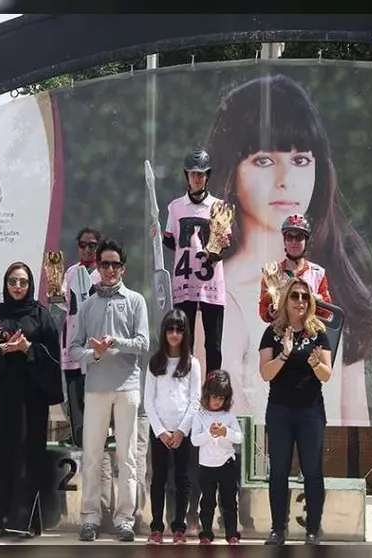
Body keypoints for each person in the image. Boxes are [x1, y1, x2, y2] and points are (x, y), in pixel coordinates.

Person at [206, 74, 372, 424]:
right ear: (231, 170)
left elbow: (352, 413)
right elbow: (227, 412)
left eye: (301, 159)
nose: (285, 178)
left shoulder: (330, 281)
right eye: (264, 160)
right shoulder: (217, 290)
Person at [0, 261, 64, 539]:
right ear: (5, 284)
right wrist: (2, 350)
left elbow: (53, 358)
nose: (18, 287)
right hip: (0, 398)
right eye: (12, 282)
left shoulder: (41, 316)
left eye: (23, 282)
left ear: (30, 285)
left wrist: (29, 348)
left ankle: (25, 521)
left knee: (27, 456)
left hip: (31, 400)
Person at [161, 147, 232, 533]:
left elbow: (227, 244)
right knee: (184, 340)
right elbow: (172, 242)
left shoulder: (221, 207)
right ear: (186, 175)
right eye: (192, 174)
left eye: (202, 174)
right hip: (185, 282)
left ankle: (215, 387)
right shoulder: (173, 206)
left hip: (213, 285)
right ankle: (184, 378)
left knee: (215, 342)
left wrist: (211, 248)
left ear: (208, 176)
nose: (197, 179)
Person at [69, 238, 150, 542]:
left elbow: (143, 344)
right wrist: (97, 355)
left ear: (123, 268)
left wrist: (115, 343)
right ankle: (90, 516)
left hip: (127, 388)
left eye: (115, 264)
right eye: (105, 264)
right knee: (91, 455)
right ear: (98, 267)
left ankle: (125, 519)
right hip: (95, 389)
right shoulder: (87, 305)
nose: (110, 269)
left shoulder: (135, 300)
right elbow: (75, 349)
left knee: (127, 457)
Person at [258, 277, 332, 545]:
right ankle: (278, 528)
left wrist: (315, 363)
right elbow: (265, 373)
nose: (300, 301)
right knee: (278, 470)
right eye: (295, 296)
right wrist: (284, 355)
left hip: (310, 411)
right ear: (286, 299)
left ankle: (313, 529)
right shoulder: (272, 333)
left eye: (304, 296)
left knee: (312, 470)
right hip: (279, 410)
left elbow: (327, 374)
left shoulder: (318, 333)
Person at [143, 309, 202, 544]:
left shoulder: (192, 363)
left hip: (183, 432)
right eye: (170, 329)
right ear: (164, 332)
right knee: (158, 478)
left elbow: (195, 399)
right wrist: (160, 431)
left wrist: (181, 431)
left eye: (179, 329)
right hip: (159, 431)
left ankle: (179, 528)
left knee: (182, 479)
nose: (175, 334)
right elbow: (148, 399)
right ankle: (156, 527)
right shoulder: (155, 362)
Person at [191, 370, 243, 546]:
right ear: (206, 395)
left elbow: (239, 437)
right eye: (214, 396)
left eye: (221, 397)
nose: (217, 401)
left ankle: (232, 535)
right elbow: (194, 440)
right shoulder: (199, 415)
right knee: (207, 502)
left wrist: (225, 432)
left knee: (229, 502)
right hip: (206, 466)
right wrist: (210, 433)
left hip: (226, 465)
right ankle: (205, 533)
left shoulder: (228, 416)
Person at [61, 226, 102, 446]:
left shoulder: (102, 273)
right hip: (72, 333)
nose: (87, 249)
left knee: (93, 389)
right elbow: (65, 303)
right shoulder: (69, 272)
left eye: (92, 245)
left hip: (93, 338)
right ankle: (77, 433)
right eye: (83, 245)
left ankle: (96, 434)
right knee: (73, 387)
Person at [258, 213, 331, 322]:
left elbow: (327, 312)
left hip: (309, 333)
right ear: (284, 241)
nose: (293, 242)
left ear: (306, 241)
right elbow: (263, 309)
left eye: (299, 237)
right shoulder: (272, 273)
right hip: (281, 332)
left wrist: (316, 299)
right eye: (289, 237)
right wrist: (271, 312)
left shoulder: (318, 273)